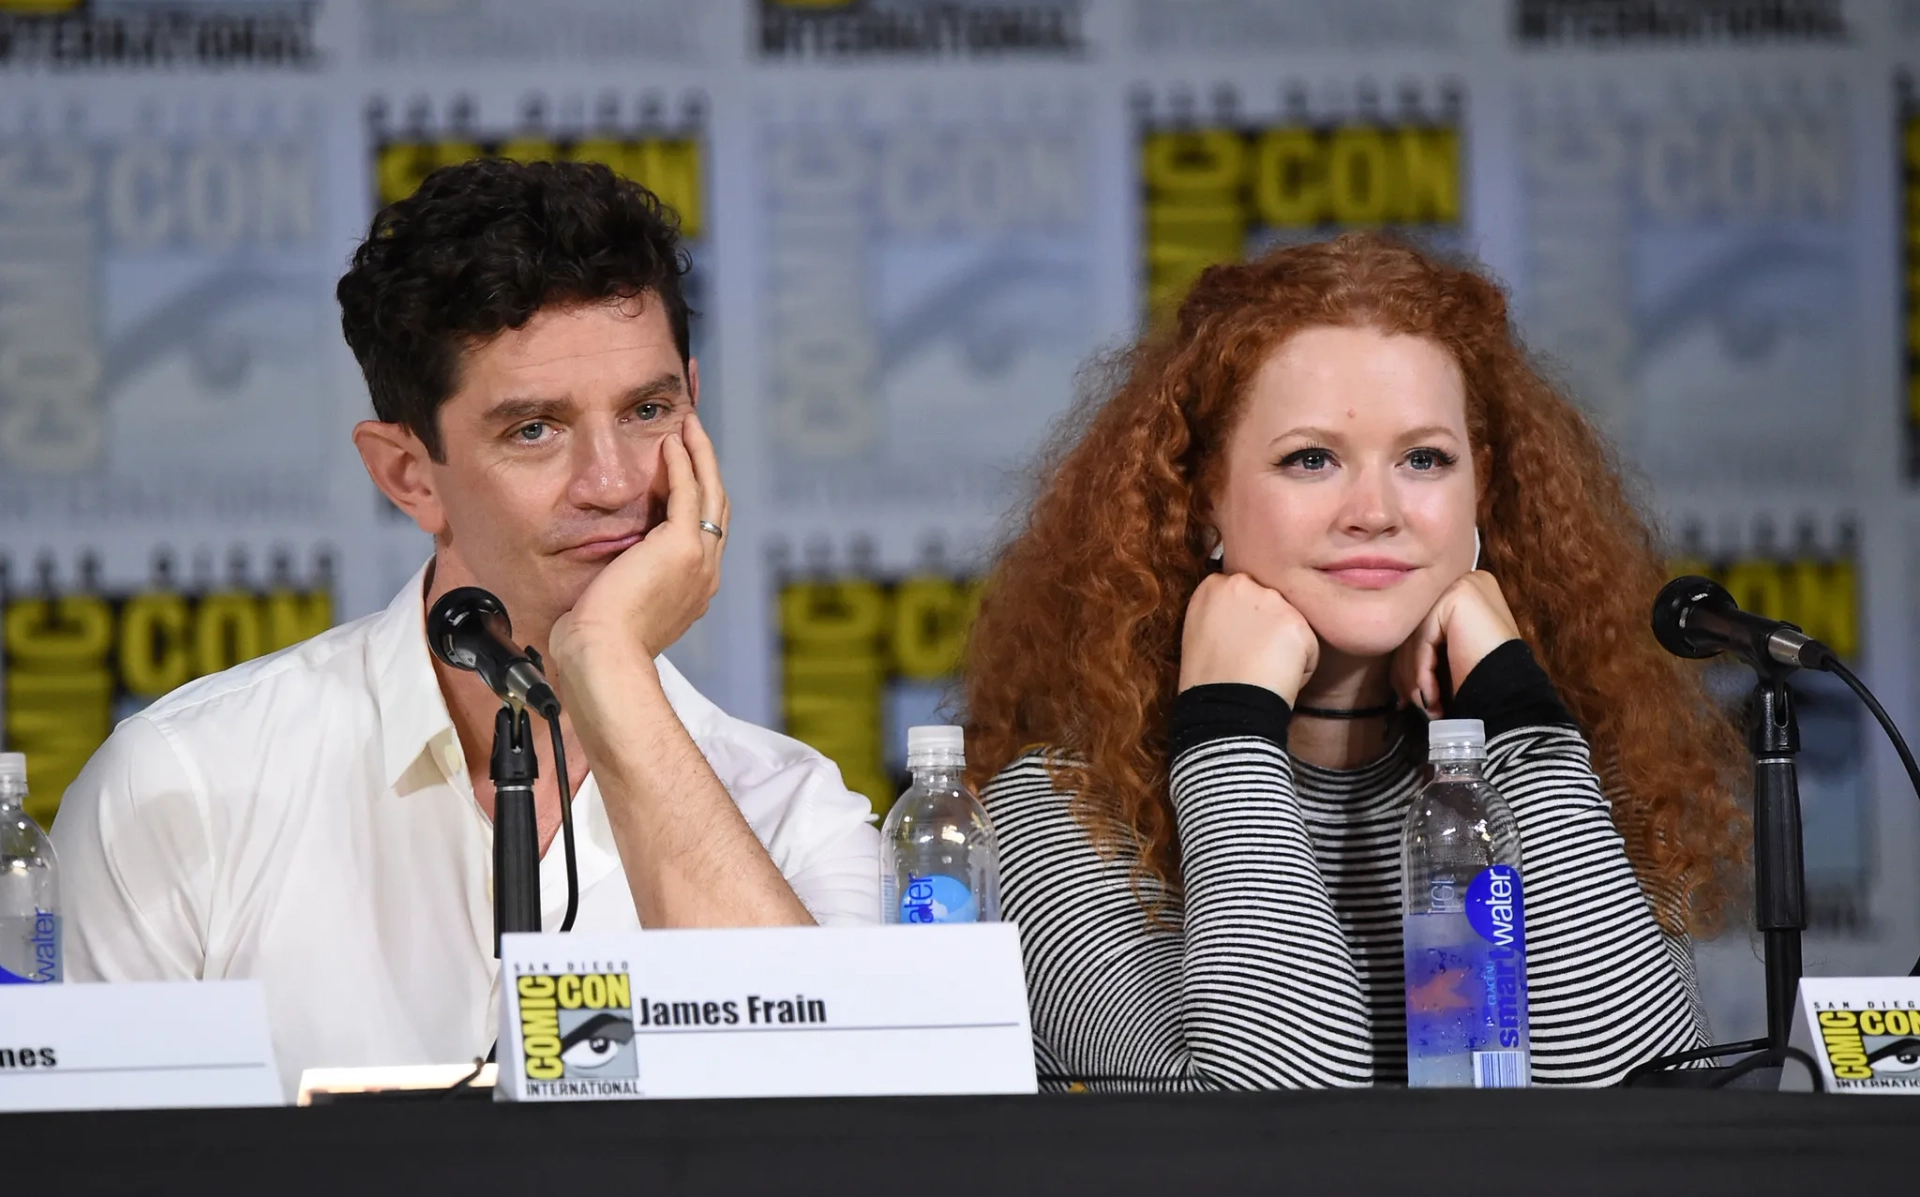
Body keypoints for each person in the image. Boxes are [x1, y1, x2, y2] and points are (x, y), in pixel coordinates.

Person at [52, 159, 880, 1086]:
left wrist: (608, 665)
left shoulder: (794, 815)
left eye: (649, 411)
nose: (611, 484)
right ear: (408, 474)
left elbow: (822, 1130)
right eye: (535, 429)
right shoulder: (185, 789)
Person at [961, 232, 1747, 1089]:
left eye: (1424, 459)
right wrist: (1226, 730)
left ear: (1478, 488)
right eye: (1311, 459)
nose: (1375, 511)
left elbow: (1631, 1099)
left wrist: (1518, 712)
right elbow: (1277, 1122)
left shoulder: (1563, 783)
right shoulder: (1064, 812)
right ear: (1203, 498)